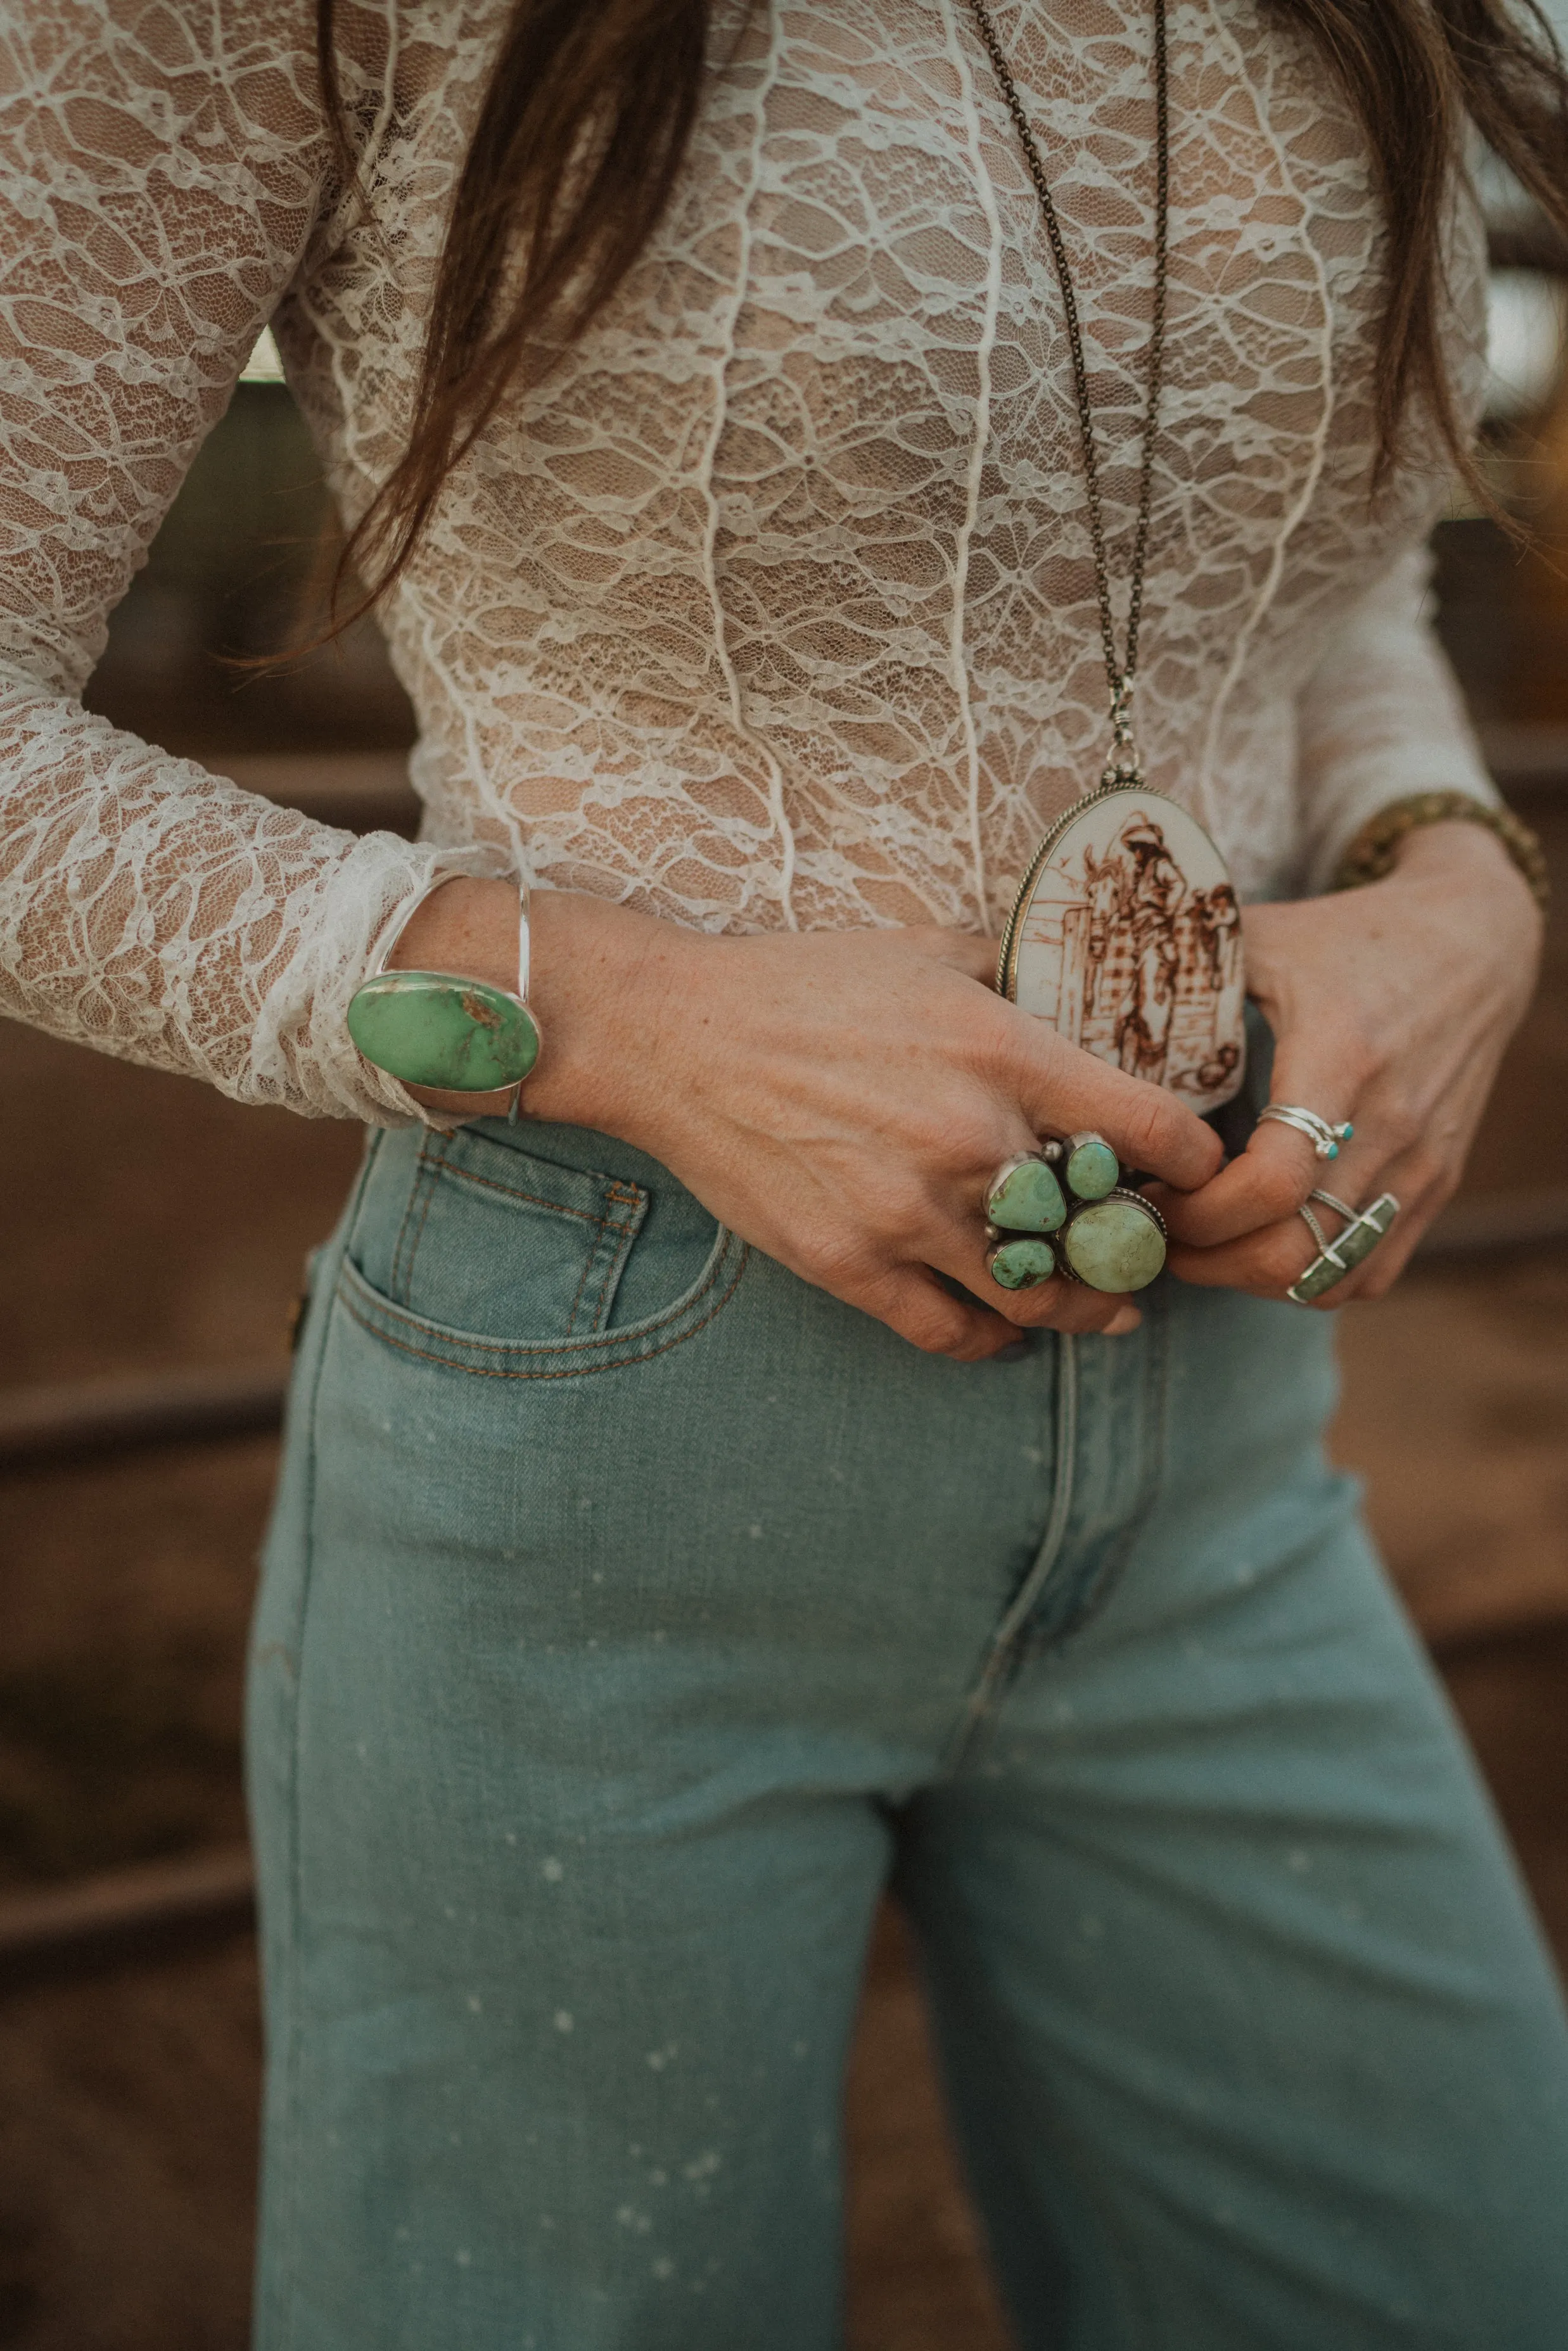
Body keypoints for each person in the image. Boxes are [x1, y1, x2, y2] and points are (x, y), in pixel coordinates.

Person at [3, 3, 1567, 2344]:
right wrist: (622, 1015)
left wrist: (1459, 881)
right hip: (613, 1472)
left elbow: (1313, 576)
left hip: (1225, 1444)